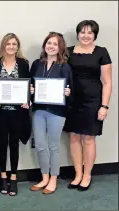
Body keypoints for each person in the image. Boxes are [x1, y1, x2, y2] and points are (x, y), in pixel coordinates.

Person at [64, 20, 112, 191]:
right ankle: (78, 174)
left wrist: (104, 106)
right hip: (72, 101)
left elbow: (107, 82)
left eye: (90, 32)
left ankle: (87, 175)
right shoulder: (68, 51)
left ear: (95, 35)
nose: (85, 35)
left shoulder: (101, 52)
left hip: (93, 102)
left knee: (88, 139)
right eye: (82, 32)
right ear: (77, 33)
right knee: (74, 137)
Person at [0, 33, 32, 196]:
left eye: (14, 44)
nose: (11, 47)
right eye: (8, 44)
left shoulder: (24, 64)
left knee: (14, 144)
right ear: (3, 46)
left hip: (18, 113)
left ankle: (13, 177)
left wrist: (28, 99)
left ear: (18, 46)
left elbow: (29, 87)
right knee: (2, 144)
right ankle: (3, 177)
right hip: (0, 113)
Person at [29, 32, 73, 194]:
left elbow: (70, 89)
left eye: (55, 44)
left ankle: (54, 179)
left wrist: (68, 93)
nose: (51, 46)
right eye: (49, 43)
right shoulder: (37, 64)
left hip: (57, 111)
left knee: (53, 146)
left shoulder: (65, 66)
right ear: (44, 45)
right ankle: (45, 177)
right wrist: (31, 90)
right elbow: (31, 85)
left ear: (60, 47)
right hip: (39, 110)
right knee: (40, 145)